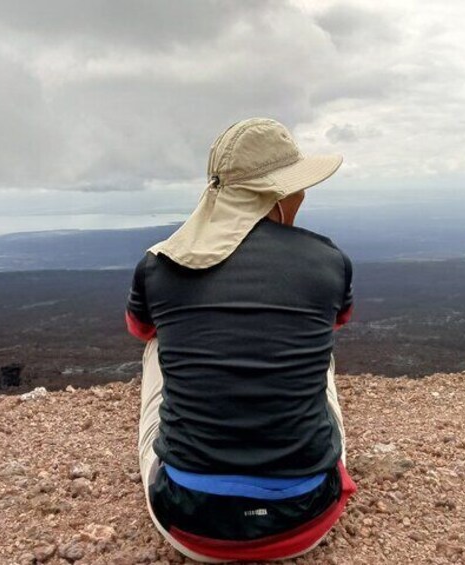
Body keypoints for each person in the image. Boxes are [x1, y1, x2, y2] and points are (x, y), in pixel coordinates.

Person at [125, 117, 356, 562]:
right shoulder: (329, 260)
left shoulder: (159, 265)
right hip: (306, 521)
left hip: (190, 526)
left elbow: (141, 330)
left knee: (158, 344)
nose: (302, 195)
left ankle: (192, 459)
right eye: (296, 185)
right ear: (277, 193)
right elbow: (337, 322)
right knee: (320, 348)